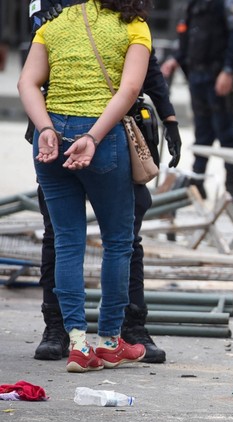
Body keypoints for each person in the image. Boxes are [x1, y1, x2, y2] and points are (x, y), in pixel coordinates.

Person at [28, 0, 181, 366]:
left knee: (66, 241)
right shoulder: (133, 25)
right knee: (118, 241)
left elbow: (26, 82)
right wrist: (94, 138)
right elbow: (130, 89)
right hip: (101, 137)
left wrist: (47, 128)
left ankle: (77, 343)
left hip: (50, 135)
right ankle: (111, 339)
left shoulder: (53, 20)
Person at [161, 0, 233, 201]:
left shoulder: (224, 4)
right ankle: (197, 182)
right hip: (197, 76)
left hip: (218, 76)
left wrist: (229, 70)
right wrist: (175, 59)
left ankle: (232, 185)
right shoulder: (191, 4)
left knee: (226, 134)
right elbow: (186, 36)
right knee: (202, 131)